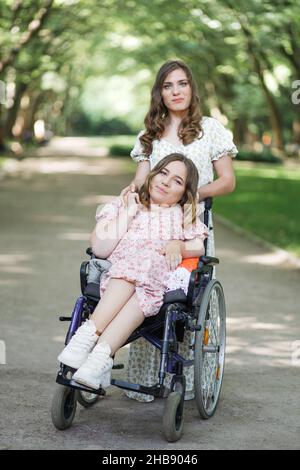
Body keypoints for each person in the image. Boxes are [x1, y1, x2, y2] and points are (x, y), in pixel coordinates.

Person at [121, 59, 238, 402]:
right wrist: (127, 200)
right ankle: (146, 374)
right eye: (168, 85)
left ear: (191, 88)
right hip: (153, 225)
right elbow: (141, 182)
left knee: (184, 299)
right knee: (146, 288)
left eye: (182, 84)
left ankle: (185, 376)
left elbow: (228, 181)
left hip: (190, 226)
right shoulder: (149, 134)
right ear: (159, 92)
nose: (176, 91)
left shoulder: (210, 128)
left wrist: (189, 195)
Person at [57, 153, 208, 391]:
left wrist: (179, 245)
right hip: (119, 275)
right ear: (152, 174)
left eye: (177, 181)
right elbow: (100, 248)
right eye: (163, 173)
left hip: (156, 280)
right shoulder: (124, 203)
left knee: (146, 274)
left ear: (184, 194)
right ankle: (95, 346)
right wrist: (129, 211)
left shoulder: (182, 215)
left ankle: (95, 350)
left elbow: (199, 246)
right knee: (138, 276)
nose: (166, 182)